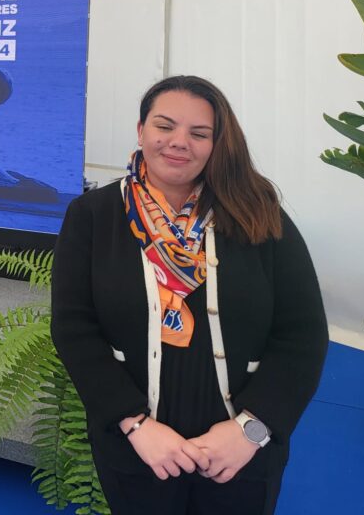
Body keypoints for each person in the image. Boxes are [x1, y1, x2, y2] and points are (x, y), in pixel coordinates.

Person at [51, 75, 327, 515]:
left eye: (199, 133)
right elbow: (74, 329)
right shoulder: (92, 216)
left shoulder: (258, 213)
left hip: (240, 454)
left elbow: (302, 335)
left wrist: (251, 430)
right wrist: (136, 425)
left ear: (218, 144)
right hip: (139, 449)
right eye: (165, 126)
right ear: (141, 131)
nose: (179, 142)